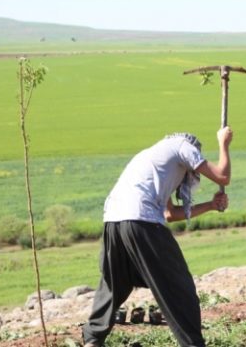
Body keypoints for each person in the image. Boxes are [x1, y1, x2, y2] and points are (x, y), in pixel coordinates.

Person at [83, 127, 233, 347]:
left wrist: (210, 205)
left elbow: (169, 214)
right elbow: (222, 176)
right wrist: (224, 143)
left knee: (116, 283)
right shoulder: (183, 147)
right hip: (141, 220)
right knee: (179, 286)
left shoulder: (151, 156)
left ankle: (93, 340)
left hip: (113, 221)